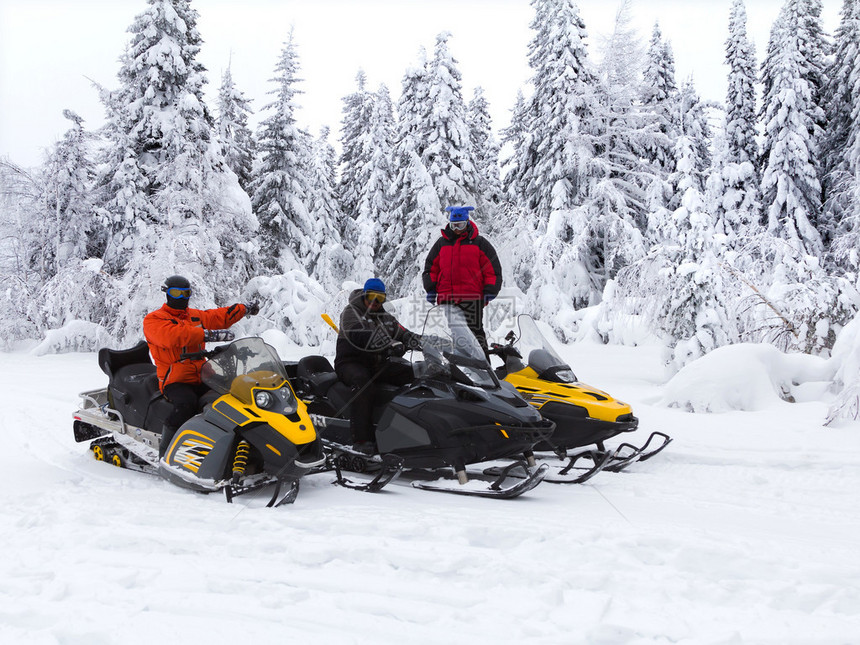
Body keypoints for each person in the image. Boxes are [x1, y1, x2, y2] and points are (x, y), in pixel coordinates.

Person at [143, 275, 259, 458]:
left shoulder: (194, 316)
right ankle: (167, 453)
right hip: (174, 379)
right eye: (176, 293)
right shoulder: (154, 320)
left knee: (231, 395)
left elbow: (219, 316)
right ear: (166, 293)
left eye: (185, 293)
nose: (181, 298)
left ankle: (232, 444)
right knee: (186, 403)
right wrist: (207, 335)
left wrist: (244, 309)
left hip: (202, 374)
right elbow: (172, 336)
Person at [334, 278, 421, 454]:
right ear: (364, 295)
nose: (374, 302)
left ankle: (418, 429)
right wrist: (389, 344)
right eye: (371, 297)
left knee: (416, 373)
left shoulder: (386, 317)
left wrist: (425, 342)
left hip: (377, 364)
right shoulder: (351, 312)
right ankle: (361, 440)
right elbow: (362, 335)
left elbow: (403, 333)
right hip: (350, 362)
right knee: (363, 383)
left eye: (379, 298)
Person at [422, 205, 502, 352]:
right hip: (448, 299)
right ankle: (463, 369)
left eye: (460, 225)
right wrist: (431, 289)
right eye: (454, 225)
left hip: (473, 298)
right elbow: (430, 268)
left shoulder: (479, 243)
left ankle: (485, 371)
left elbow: (493, 271)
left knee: (476, 334)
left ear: (467, 223)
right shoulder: (441, 244)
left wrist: (489, 291)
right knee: (458, 335)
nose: (457, 229)